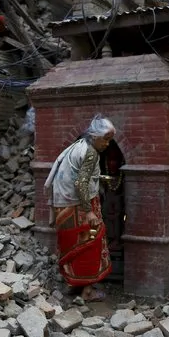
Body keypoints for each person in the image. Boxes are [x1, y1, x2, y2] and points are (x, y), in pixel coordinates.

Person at [44, 114, 116, 302]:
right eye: (106, 140)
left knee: (71, 245)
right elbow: (81, 184)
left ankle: (72, 285)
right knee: (91, 243)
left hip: (62, 206)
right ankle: (87, 292)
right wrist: (89, 211)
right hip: (80, 207)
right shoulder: (91, 153)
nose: (107, 144)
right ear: (95, 136)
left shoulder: (77, 147)